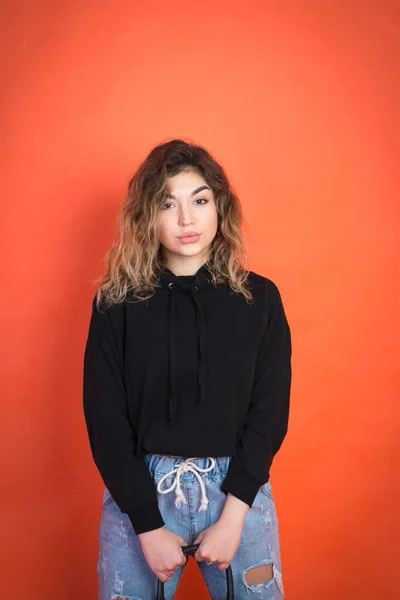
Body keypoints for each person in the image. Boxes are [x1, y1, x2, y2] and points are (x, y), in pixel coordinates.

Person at [83, 138, 292, 599]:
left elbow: (269, 412)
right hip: (139, 489)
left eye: (199, 200)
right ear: (147, 216)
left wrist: (234, 515)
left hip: (238, 489)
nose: (186, 219)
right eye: (167, 204)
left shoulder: (259, 300)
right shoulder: (116, 303)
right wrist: (146, 524)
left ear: (219, 206)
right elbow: (105, 419)